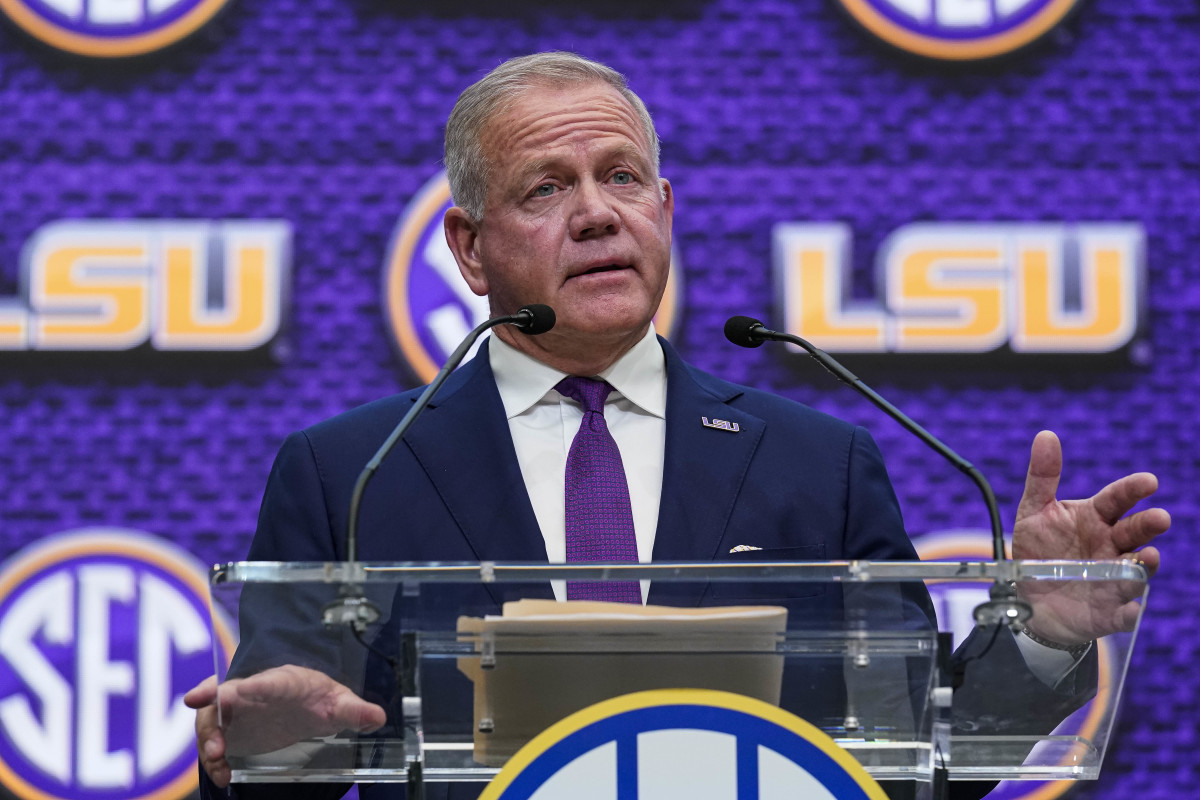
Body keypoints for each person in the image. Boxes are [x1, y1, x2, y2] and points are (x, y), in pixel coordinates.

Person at [185, 52, 1169, 798]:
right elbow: (285, 743)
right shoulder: (349, 471)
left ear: (664, 208)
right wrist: (260, 752)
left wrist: (1039, 631)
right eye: (546, 188)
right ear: (469, 248)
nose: (597, 215)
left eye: (621, 178)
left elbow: (917, 758)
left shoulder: (817, 463)